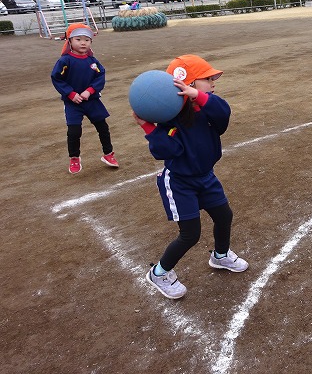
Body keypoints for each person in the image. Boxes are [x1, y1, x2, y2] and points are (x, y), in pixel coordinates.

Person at [133, 54, 248, 300]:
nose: (213, 82)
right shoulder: (170, 119)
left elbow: (223, 114)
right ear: (188, 84)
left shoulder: (208, 109)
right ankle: (159, 273)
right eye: (208, 79)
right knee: (190, 234)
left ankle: (220, 256)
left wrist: (199, 97)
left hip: (206, 177)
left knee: (224, 216)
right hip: (180, 182)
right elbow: (166, 151)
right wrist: (149, 128)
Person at [51, 23, 119, 174]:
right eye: (78, 39)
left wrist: (90, 90)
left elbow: (100, 75)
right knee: (74, 132)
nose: (83, 43)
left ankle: (108, 154)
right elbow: (57, 78)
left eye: (87, 40)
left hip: (92, 101)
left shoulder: (92, 61)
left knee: (103, 128)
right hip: (73, 103)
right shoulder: (65, 61)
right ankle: (74, 158)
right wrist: (71, 94)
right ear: (69, 41)